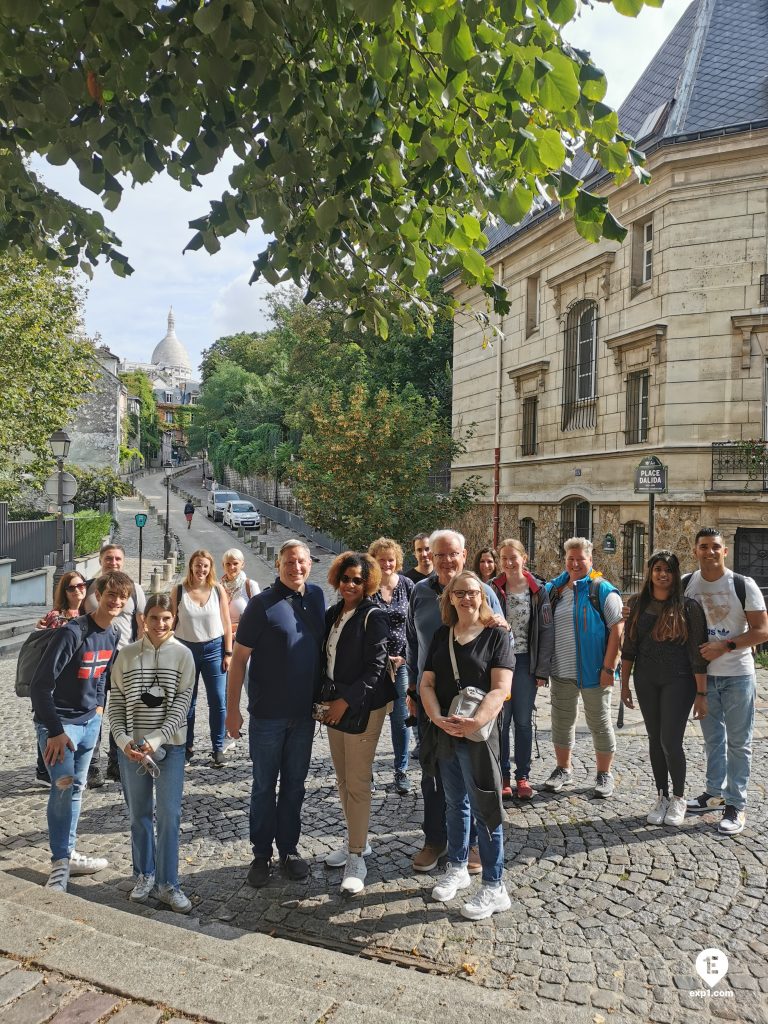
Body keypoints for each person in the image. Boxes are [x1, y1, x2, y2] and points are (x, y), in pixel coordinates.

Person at [226, 540, 325, 888]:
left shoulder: (316, 598)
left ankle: (289, 849)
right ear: (278, 563)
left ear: (310, 564)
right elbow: (238, 660)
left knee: (295, 786)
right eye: (289, 562)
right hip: (267, 715)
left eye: (301, 561)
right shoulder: (261, 604)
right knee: (264, 787)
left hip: (303, 716)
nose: (296, 567)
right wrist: (232, 710)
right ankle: (261, 854)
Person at [406, 529, 504, 873]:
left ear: (465, 556)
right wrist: (411, 690)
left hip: (474, 708)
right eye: (440, 555)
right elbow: (412, 645)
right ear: (429, 558)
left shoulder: (485, 591)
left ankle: (474, 844)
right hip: (430, 701)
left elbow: (498, 642)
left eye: (453, 554)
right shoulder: (418, 592)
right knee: (433, 773)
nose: (447, 561)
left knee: (475, 777)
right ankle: (435, 840)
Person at [419, 571, 514, 920]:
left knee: (486, 809)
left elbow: (500, 688)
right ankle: (457, 867)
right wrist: (435, 716)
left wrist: (476, 722)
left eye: (472, 592)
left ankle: (494, 885)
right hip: (445, 731)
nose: (466, 598)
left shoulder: (496, 636)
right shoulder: (442, 634)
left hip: (479, 736)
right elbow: (426, 682)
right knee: (454, 803)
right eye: (459, 593)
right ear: (450, 599)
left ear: (482, 596)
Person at [30, 571, 131, 893]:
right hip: (60, 726)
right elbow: (40, 686)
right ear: (97, 595)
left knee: (75, 790)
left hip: (89, 724)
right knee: (62, 787)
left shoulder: (112, 634)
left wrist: (99, 712)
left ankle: (68, 854)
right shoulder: (72, 632)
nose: (115, 601)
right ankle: (60, 863)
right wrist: (57, 732)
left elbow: (102, 676)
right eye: (110, 595)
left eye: (121, 597)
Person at [109, 593, 196, 912]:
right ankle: (144, 874)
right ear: (143, 619)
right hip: (131, 749)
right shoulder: (127, 655)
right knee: (139, 816)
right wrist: (122, 740)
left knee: (170, 816)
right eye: (154, 617)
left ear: (174, 619)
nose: (160, 623)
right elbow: (116, 703)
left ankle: (168, 883)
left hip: (169, 748)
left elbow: (182, 705)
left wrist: (158, 739)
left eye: (166, 617)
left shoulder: (184, 655)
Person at [683, 528, 768, 835]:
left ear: (725, 551)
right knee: (712, 741)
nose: (710, 551)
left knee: (739, 744)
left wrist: (726, 645)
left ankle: (736, 804)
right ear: (696, 551)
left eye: (715, 546)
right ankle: (713, 794)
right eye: (703, 546)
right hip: (703, 678)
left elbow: (762, 630)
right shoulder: (687, 584)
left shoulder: (742, 584)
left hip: (737, 675)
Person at [320, 552, 394, 894]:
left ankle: (356, 858)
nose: (350, 584)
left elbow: (376, 668)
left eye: (357, 580)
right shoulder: (334, 613)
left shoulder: (373, 616)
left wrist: (344, 701)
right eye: (346, 578)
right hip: (335, 705)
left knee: (358, 781)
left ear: (368, 584)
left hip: (363, 707)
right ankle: (357, 841)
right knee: (342, 778)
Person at [620, 551, 709, 827]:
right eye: (657, 569)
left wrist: (701, 693)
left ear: (675, 574)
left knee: (670, 741)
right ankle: (661, 795)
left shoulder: (688, 607)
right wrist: (623, 683)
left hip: (679, 680)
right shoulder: (637, 604)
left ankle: (679, 797)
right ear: (650, 573)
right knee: (654, 740)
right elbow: (629, 648)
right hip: (645, 679)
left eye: (668, 570)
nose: (662, 574)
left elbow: (697, 653)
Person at [543, 538, 623, 799]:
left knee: (599, 723)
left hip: (595, 670)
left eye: (580, 559)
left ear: (591, 560)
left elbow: (617, 630)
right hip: (562, 670)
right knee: (561, 723)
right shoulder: (554, 589)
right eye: (570, 559)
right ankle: (563, 769)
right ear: (565, 560)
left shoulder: (601, 589)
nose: (575, 563)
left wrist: (609, 668)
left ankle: (604, 774)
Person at [491, 539, 553, 800]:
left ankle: (522, 775)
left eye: (513, 557)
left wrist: (542, 670)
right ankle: (503, 774)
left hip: (527, 662)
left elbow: (546, 630)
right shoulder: (493, 588)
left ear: (524, 558)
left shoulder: (538, 590)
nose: (508, 562)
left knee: (524, 721)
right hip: (500, 662)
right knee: (501, 721)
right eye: (503, 558)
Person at [83, 543, 147, 787]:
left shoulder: (135, 589)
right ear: (101, 560)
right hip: (96, 657)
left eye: (118, 558)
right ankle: (92, 765)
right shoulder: (91, 588)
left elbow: (141, 624)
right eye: (109, 558)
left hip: (124, 657)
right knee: (95, 711)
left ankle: (115, 762)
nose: (113, 562)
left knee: (121, 713)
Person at [171, 549, 232, 767]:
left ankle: (217, 747)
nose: (201, 569)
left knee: (217, 699)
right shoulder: (179, 590)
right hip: (185, 650)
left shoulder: (217, 590)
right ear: (191, 566)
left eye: (205, 566)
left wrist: (228, 652)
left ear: (210, 568)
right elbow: (171, 623)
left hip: (214, 649)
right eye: (198, 565)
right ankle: (187, 748)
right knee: (188, 701)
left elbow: (226, 623)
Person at [369, 537, 415, 795]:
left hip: (401, 663)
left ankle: (401, 771)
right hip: (373, 665)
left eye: (390, 559)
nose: (386, 563)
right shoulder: (368, 586)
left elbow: (414, 624)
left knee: (400, 719)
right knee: (372, 718)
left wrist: (405, 656)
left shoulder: (407, 585)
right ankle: (366, 771)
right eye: (381, 558)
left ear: (397, 561)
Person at [33, 571, 88, 785]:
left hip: (79, 679)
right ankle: (44, 768)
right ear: (64, 591)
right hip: (55, 678)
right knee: (48, 719)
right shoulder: (56, 616)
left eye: (81, 585)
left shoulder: (89, 614)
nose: (78, 590)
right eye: (72, 587)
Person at [220, 548, 260, 646]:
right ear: (223, 565)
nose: (231, 567)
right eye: (228, 564)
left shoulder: (250, 585)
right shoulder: (218, 587)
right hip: (221, 640)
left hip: (243, 641)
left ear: (242, 564)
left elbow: (258, 617)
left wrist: (233, 629)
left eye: (235, 563)